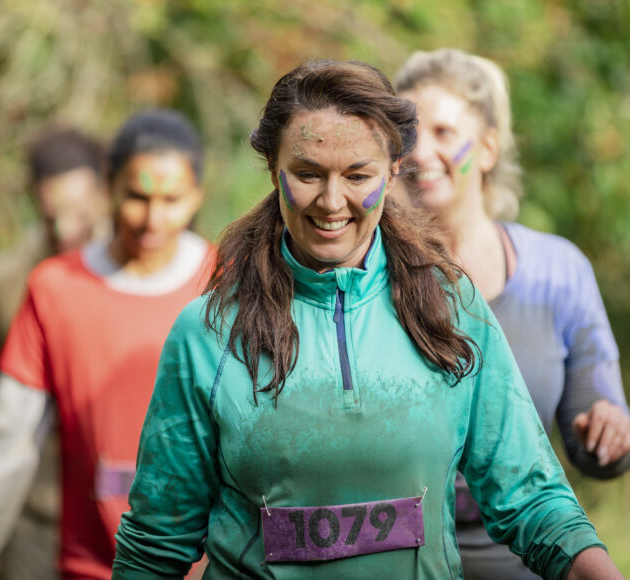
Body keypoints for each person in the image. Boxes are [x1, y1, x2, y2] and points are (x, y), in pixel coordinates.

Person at [112, 60, 625, 579]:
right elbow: (156, 543)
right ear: (274, 170)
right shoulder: (208, 335)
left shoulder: (451, 311)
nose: (333, 202)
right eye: (308, 173)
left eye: (358, 175)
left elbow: (533, 502)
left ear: (394, 170)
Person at [0, 109, 214, 580]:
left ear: (197, 195)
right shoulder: (54, 289)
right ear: (110, 188)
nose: (153, 218)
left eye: (172, 199)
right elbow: (6, 450)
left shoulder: (226, 285)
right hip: (85, 563)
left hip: (202, 567)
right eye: (137, 197)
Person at [394, 48, 630, 579]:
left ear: (489, 148)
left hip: (527, 564)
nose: (419, 152)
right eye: (406, 135)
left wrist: (610, 433)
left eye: (443, 132)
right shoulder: (366, 276)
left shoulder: (558, 271)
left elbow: (594, 439)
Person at [0, 126, 110, 580]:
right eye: (51, 216)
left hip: (117, 515)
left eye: (78, 214)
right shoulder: (4, 284)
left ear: (104, 193)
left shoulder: (139, 276)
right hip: (29, 514)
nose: (65, 231)